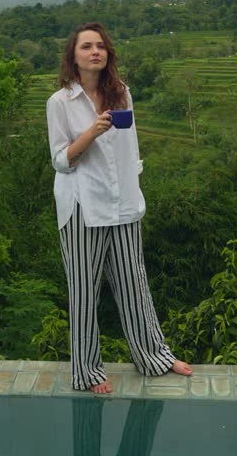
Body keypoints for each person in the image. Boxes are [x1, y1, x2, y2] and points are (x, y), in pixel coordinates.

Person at [46, 22, 192, 393]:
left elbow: (133, 151)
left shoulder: (121, 93)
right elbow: (61, 160)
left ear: (108, 54)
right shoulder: (60, 103)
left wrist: (134, 194)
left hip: (123, 203)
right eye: (86, 47)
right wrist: (91, 133)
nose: (95, 51)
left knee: (134, 283)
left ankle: (154, 356)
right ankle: (88, 371)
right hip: (82, 207)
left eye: (101, 46)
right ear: (73, 57)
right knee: (84, 291)